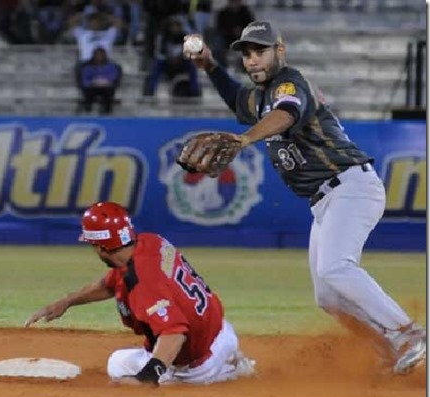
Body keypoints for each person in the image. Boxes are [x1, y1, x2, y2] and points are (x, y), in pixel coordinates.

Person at [180, 21, 426, 376]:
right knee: (327, 296)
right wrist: (211, 65)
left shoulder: (289, 83)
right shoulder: (260, 96)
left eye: (260, 51)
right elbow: (237, 99)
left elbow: (287, 114)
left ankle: (408, 333)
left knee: (336, 268)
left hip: (351, 186)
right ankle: (386, 347)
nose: (252, 60)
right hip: (326, 199)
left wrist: (246, 139)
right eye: (247, 54)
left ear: (280, 51)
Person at [26, 201, 256, 385]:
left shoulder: (142, 284)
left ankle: (216, 373)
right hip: (221, 331)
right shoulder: (150, 242)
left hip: (197, 362)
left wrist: (147, 378)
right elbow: (111, 283)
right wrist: (67, 301)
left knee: (117, 364)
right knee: (152, 340)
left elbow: (174, 333)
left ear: (101, 246)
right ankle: (230, 357)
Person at [79, 47, 122, 115]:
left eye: (101, 55)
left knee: (110, 92)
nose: (99, 57)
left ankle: (107, 112)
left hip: (106, 87)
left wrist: (105, 82)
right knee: (87, 92)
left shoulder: (111, 66)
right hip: (92, 87)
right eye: (97, 55)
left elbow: (113, 78)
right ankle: (87, 111)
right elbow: (85, 80)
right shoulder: (87, 67)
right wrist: (94, 82)